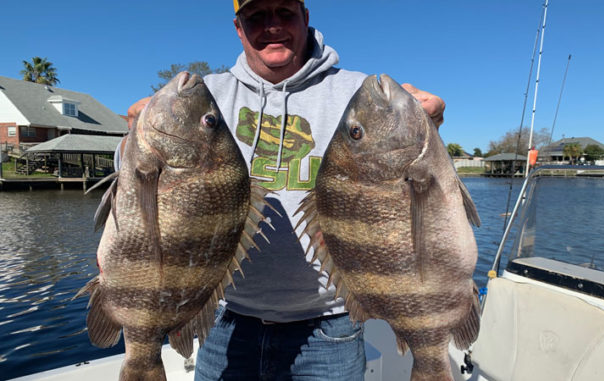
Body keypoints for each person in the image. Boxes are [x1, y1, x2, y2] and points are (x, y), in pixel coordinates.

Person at [125, 1, 446, 379]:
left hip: (331, 326)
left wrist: (431, 128)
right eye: (256, 16)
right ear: (238, 28)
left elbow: (416, 189)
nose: (272, 25)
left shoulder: (358, 94)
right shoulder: (206, 97)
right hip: (225, 319)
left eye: (284, 12)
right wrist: (133, 141)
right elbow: (135, 198)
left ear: (306, 18)